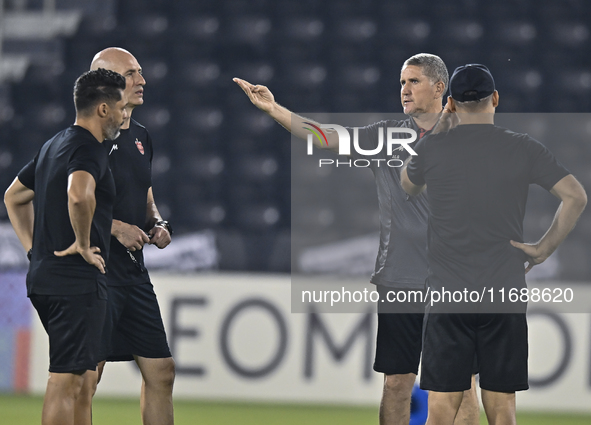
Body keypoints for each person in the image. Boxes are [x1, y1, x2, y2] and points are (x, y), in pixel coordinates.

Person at [234, 53, 480, 425]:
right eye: (401, 82)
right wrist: (275, 110)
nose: (404, 90)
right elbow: (327, 137)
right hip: (400, 279)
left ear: (439, 87)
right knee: (397, 382)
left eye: (413, 81)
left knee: (460, 387)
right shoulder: (387, 136)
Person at [401, 64, 587, 425]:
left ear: (450, 103)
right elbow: (575, 196)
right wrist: (544, 248)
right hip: (503, 292)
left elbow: (408, 184)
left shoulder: (435, 149)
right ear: (496, 98)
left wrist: (437, 128)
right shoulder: (522, 147)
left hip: (449, 295)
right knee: (503, 413)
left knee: (439, 412)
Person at [4, 68, 127, 425]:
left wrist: (34, 251)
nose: (123, 115)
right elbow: (78, 194)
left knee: (83, 379)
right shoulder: (89, 148)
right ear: (103, 109)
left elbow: (13, 197)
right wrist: (84, 244)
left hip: (47, 276)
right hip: (75, 280)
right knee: (67, 381)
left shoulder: (54, 144)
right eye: (119, 107)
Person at [77, 47, 175, 425]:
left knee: (162, 370)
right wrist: (115, 227)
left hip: (134, 273)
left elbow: (144, 193)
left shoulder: (141, 137)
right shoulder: (87, 137)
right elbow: (62, 199)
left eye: (140, 72)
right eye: (131, 74)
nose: (142, 80)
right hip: (95, 270)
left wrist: (158, 222)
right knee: (88, 376)